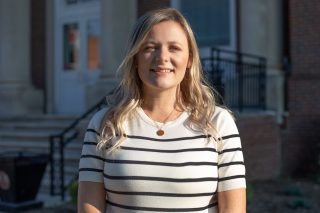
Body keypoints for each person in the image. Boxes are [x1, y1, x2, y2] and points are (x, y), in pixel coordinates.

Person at [78, 8, 246, 213]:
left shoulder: (218, 123)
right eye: (150, 47)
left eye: (174, 48)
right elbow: (89, 207)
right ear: (135, 57)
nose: (162, 57)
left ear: (190, 59)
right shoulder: (105, 124)